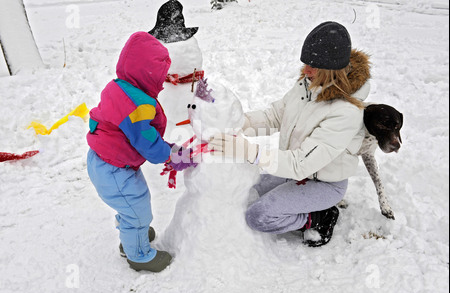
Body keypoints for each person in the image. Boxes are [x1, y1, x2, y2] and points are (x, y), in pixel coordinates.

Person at [209, 21, 371, 247]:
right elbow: (276, 116)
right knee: (245, 190)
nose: (306, 71)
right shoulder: (307, 85)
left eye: (313, 66)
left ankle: (320, 217)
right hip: (292, 172)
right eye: (306, 63)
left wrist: (251, 152)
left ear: (331, 68)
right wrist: (239, 123)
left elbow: (300, 164)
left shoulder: (345, 113)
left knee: (258, 216)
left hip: (323, 183)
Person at [86, 32, 197, 272]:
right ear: (148, 74)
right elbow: (147, 143)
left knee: (131, 205)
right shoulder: (138, 106)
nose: (162, 81)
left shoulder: (120, 87)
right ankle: (138, 254)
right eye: (160, 75)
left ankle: (132, 230)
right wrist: (174, 154)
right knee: (137, 208)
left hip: (107, 161)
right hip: (114, 170)